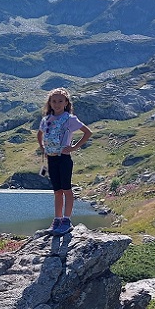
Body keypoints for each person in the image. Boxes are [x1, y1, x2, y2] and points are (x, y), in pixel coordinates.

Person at [36, 87, 92, 234]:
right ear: (50, 103)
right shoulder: (46, 119)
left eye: (60, 101)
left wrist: (73, 148)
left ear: (66, 102)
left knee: (66, 189)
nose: (57, 104)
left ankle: (66, 220)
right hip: (52, 160)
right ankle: (57, 219)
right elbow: (39, 135)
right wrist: (43, 149)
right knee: (57, 191)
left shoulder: (70, 119)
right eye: (54, 101)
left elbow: (87, 133)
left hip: (64, 158)